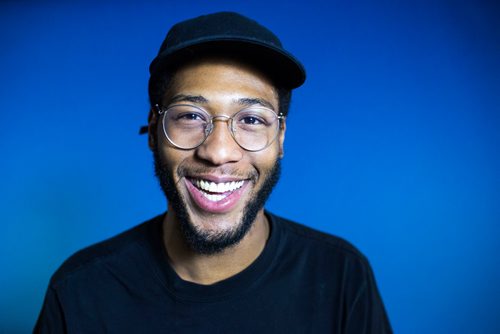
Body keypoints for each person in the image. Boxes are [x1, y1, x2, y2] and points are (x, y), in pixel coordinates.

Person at [35, 12, 392, 333]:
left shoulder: (342, 277)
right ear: (154, 129)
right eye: (190, 116)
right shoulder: (80, 291)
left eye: (251, 120)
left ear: (280, 138)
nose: (219, 152)